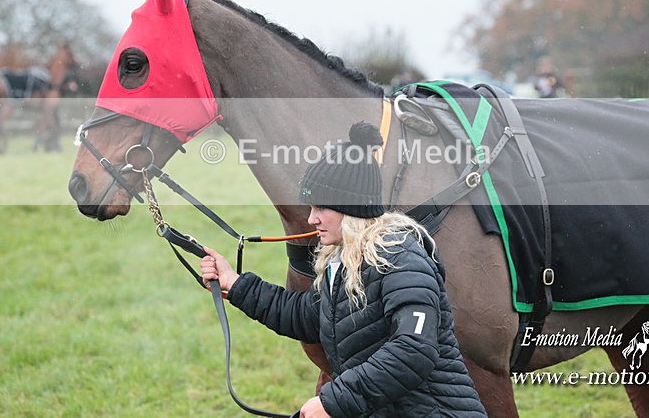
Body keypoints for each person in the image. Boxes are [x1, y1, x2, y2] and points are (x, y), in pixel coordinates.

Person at [200, 121, 487, 417]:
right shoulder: (344, 261)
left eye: (321, 208)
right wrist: (234, 284)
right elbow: (305, 315)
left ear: (352, 208)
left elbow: (414, 349)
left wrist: (332, 401)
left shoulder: (401, 258)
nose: (311, 220)